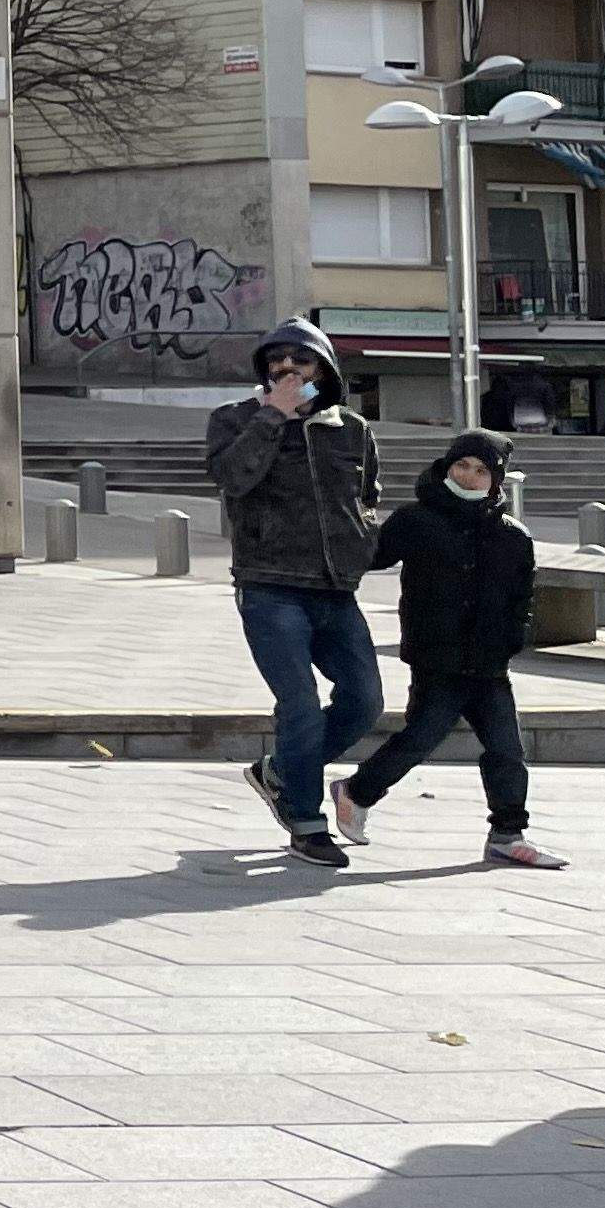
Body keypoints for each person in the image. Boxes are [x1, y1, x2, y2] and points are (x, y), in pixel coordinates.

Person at [336, 429, 569, 870]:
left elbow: (522, 599)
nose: (469, 475)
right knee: (420, 738)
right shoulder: (417, 520)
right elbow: (370, 556)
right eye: (461, 465)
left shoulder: (512, 536)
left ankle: (507, 833)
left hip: (488, 665)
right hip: (437, 658)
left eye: (481, 470)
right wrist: (349, 515)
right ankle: (356, 792)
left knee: (506, 749)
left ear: (496, 479)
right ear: (447, 466)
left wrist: (510, 642)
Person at [209, 317, 385, 871]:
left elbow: (367, 495)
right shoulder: (235, 420)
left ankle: (281, 771)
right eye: (276, 362)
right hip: (269, 587)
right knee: (300, 705)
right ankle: (306, 821)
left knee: (364, 701)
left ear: (323, 369)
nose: (287, 370)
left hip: (335, 589)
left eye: (300, 361)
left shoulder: (350, 429)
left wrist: (362, 543)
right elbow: (232, 479)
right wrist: (272, 418)